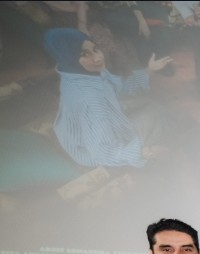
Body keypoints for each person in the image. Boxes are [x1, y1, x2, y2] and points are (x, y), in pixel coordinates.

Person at [43, 27, 173, 168]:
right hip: (96, 153)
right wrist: (146, 152)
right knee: (157, 114)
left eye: (95, 49)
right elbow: (102, 153)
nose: (97, 57)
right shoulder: (90, 101)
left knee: (148, 104)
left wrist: (149, 70)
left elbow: (119, 90)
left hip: (103, 127)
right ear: (69, 56)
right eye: (85, 54)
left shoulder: (77, 71)